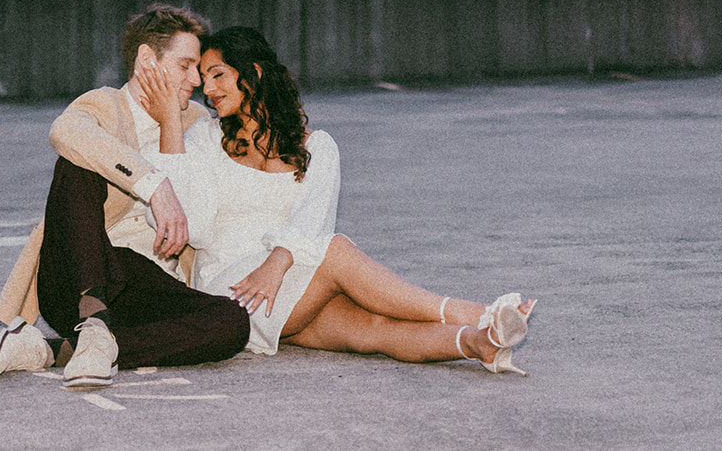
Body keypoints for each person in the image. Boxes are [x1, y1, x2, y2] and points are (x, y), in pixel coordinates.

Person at [138, 26, 536, 375]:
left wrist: (275, 265)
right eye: (203, 79)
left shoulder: (318, 147)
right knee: (336, 250)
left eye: (217, 75)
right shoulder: (205, 140)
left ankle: (477, 343)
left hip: (287, 278)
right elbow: (193, 225)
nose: (206, 90)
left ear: (254, 74)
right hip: (233, 289)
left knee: (374, 331)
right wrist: (171, 121)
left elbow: (315, 221)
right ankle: (478, 312)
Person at [0, 4, 249, 389]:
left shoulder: (197, 123)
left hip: (147, 285)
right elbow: (65, 132)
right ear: (146, 59)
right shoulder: (104, 105)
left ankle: (57, 351)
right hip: (76, 276)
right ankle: (94, 318)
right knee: (76, 163)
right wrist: (154, 184)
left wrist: (171, 119)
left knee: (232, 324)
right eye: (185, 65)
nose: (197, 80)